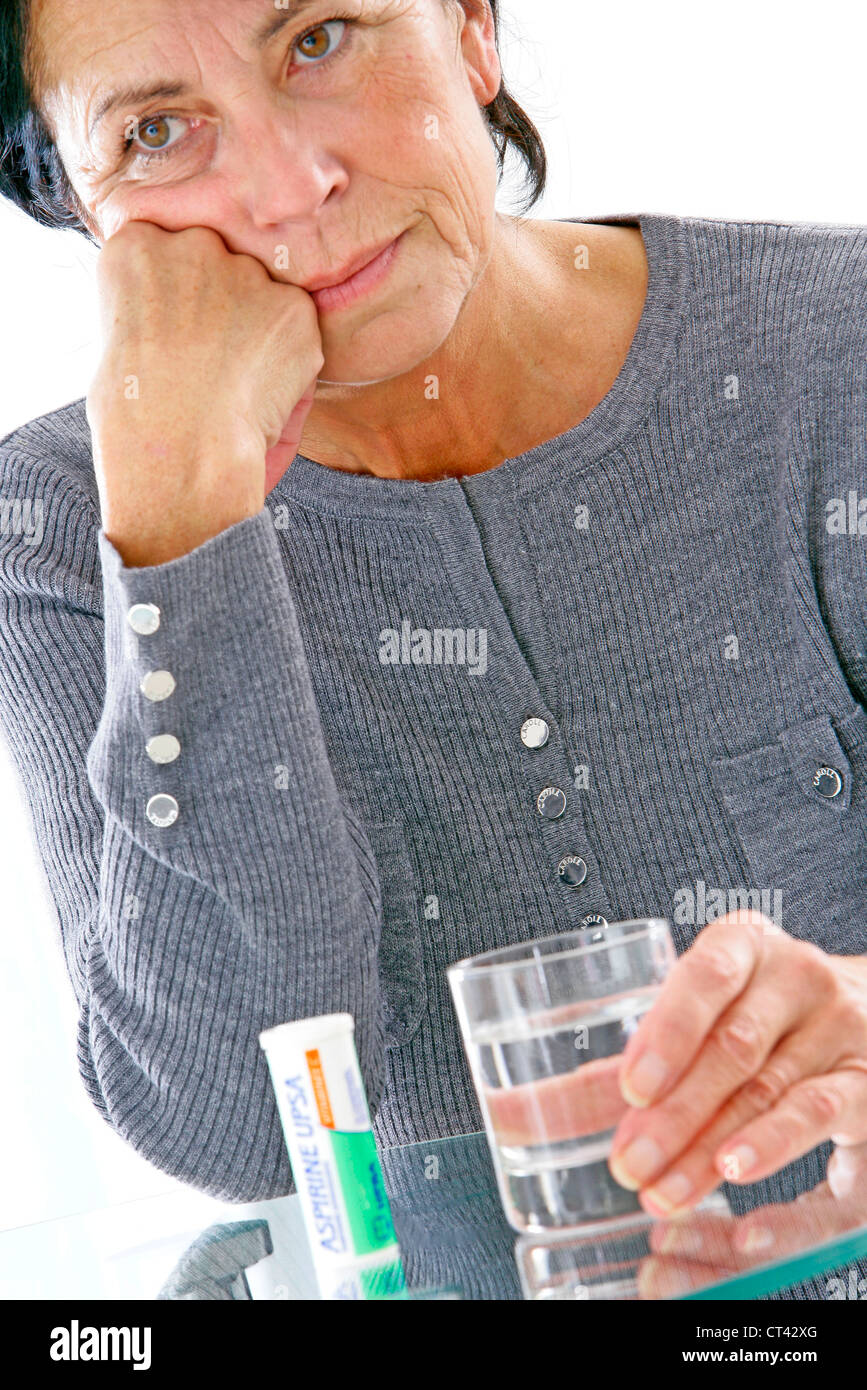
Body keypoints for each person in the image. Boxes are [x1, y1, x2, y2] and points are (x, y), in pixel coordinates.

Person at [0, 0, 865, 1290]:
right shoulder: (65, 529)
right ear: (79, 206)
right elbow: (230, 1127)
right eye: (160, 131)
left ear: (470, 27)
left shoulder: (832, 351)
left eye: (321, 38)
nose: (296, 190)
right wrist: (184, 535)